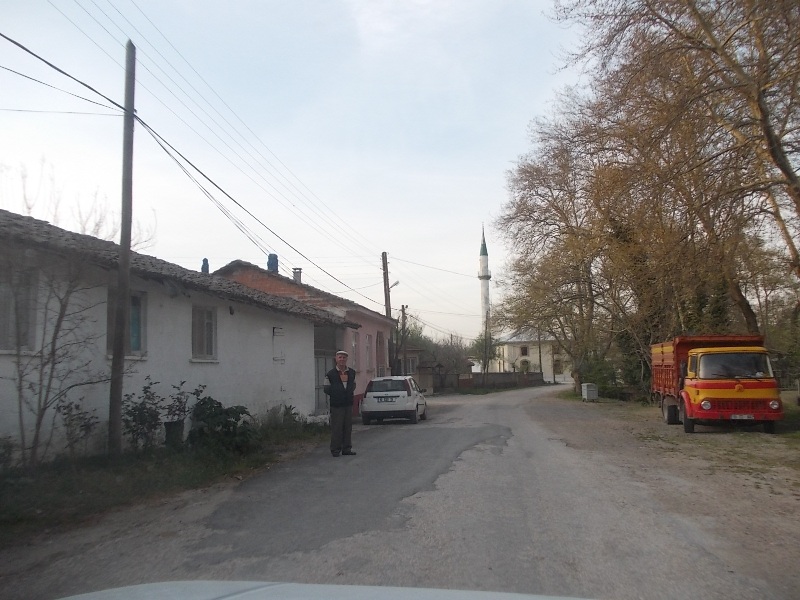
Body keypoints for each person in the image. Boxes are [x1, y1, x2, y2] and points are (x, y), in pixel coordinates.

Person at [324, 350, 357, 457]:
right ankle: (335, 450)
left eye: (344, 357)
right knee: (337, 428)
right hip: (336, 405)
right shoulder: (330, 374)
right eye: (340, 357)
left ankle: (347, 449)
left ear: (346, 359)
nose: (342, 359)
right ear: (336, 359)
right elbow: (326, 388)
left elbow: (353, 385)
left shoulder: (351, 372)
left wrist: (347, 394)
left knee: (348, 427)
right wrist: (338, 394)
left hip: (348, 404)